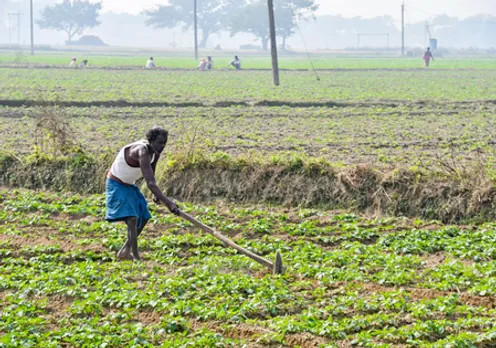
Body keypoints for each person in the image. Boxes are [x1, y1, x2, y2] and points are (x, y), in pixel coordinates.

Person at [105, 127, 180, 261]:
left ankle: (125, 250)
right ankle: (136, 258)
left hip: (129, 185)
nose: (162, 146)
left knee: (144, 216)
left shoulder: (155, 152)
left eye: (164, 143)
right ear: (150, 140)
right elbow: (150, 183)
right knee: (132, 219)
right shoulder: (142, 151)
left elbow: (152, 173)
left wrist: (158, 195)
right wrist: (168, 202)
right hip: (116, 184)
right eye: (159, 142)